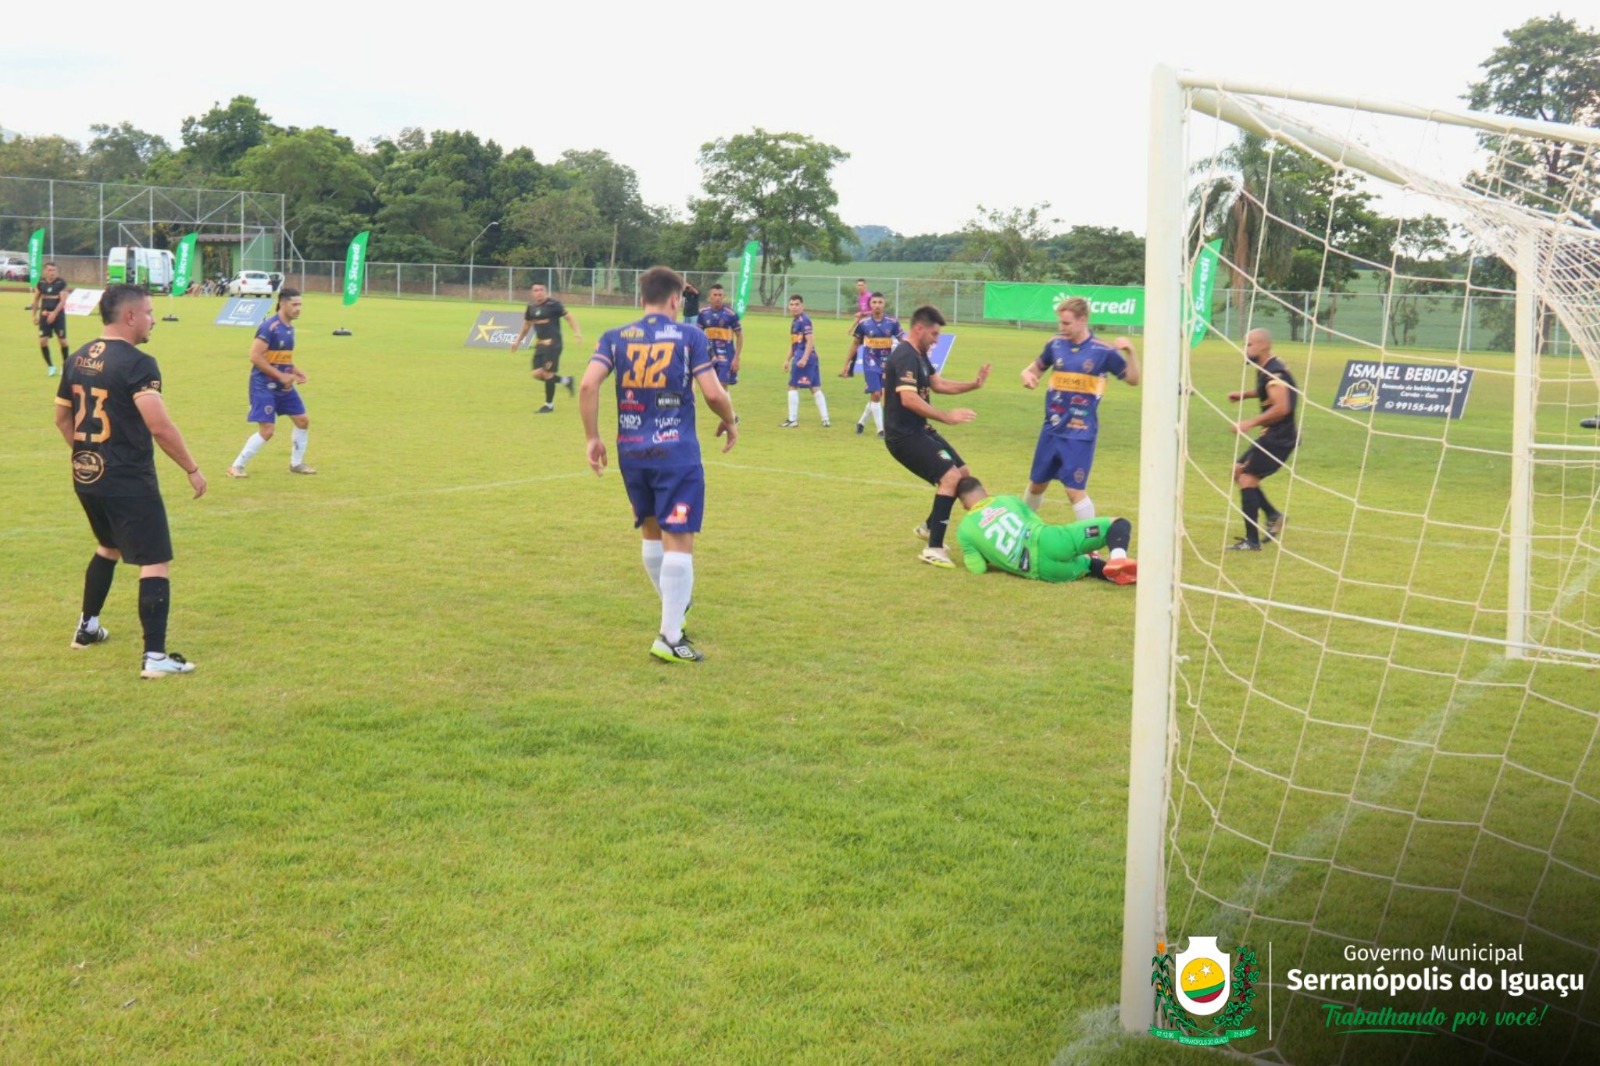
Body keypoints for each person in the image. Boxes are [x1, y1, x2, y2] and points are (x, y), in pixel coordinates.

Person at [580, 266, 738, 663]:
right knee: (679, 538)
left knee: (652, 534)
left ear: (641, 299)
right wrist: (731, 421)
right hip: (676, 453)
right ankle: (669, 636)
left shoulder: (615, 337)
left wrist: (592, 437)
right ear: (675, 299)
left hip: (631, 451)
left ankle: (675, 611)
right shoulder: (690, 336)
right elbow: (713, 392)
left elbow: (587, 384)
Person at [53, 284, 207, 678]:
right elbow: (158, 424)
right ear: (130, 316)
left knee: (108, 547)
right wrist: (191, 467)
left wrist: (89, 456)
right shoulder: (140, 363)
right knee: (155, 560)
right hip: (127, 479)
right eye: (151, 312)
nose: (154, 319)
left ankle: (87, 627)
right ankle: (155, 658)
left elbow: (62, 418)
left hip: (87, 475)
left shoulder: (78, 356)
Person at [882, 305, 991, 568]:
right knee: (950, 478)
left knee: (962, 472)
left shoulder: (919, 354)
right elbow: (908, 399)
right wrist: (946, 416)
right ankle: (933, 548)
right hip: (903, 436)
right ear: (919, 328)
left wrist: (973, 384)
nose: (936, 340)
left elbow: (938, 384)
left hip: (919, 430)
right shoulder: (905, 355)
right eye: (933, 334)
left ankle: (930, 526)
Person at [1020, 297, 1140, 523]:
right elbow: (1032, 369)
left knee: (1073, 490)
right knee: (1036, 484)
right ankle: (1022, 530)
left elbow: (1133, 379)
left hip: (1080, 432)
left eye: (1066, 323)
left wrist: (1131, 352)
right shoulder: (1055, 344)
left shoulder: (1102, 351)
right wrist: (1027, 376)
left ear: (1082, 320)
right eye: (1060, 323)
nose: (1061, 328)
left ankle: (1090, 544)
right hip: (1051, 429)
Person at [953, 477, 1136, 584]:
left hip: (1045, 572)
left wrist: (989, 554)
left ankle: (1122, 575)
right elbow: (1035, 521)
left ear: (963, 505)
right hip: (1049, 541)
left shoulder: (964, 530)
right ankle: (1119, 558)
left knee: (1088, 565)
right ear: (985, 490)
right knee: (1118, 523)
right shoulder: (1006, 500)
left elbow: (977, 569)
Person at [227, 287, 316, 477]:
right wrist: (280, 375)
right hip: (263, 385)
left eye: (300, 305)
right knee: (267, 430)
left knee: (302, 420)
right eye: (294, 305)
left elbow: (280, 358)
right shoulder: (270, 327)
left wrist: (294, 371)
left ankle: (296, 464)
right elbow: (255, 356)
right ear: (282, 304)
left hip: (283, 386)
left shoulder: (289, 328)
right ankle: (236, 466)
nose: (298, 309)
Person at [1227, 328, 1297, 551]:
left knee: (1247, 478)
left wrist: (1250, 422)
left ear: (1263, 346)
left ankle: (1252, 541)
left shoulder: (1275, 373)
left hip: (1279, 438)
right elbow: (1265, 389)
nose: (1245, 349)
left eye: (1249, 345)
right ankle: (1273, 515)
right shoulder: (1266, 367)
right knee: (1238, 471)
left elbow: (1282, 407)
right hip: (1273, 435)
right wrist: (1244, 395)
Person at [510, 281, 582, 413]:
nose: (538, 292)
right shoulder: (531, 307)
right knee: (537, 374)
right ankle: (567, 380)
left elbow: (569, 318)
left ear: (546, 291)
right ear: (532, 293)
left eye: (541, 290)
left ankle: (549, 405)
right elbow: (527, 325)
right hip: (540, 345)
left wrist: (577, 333)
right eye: (536, 290)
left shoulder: (554, 305)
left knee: (548, 374)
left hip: (553, 345)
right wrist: (518, 340)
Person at [839, 292, 904, 437]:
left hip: (887, 363)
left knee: (877, 396)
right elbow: (855, 343)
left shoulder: (892, 322)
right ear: (870, 305)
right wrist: (846, 364)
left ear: (884, 304)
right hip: (870, 362)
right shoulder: (864, 324)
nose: (877, 305)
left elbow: (902, 341)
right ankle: (881, 430)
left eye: (880, 302)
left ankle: (861, 422)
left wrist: (911, 355)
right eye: (874, 302)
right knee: (876, 392)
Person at [781, 294, 830, 427]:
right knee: (814, 387)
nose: (794, 307)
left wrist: (804, 358)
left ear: (802, 306)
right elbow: (794, 344)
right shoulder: (795, 322)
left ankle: (793, 419)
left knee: (792, 385)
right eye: (791, 304)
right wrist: (786, 360)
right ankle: (825, 419)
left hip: (804, 358)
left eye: (797, 304)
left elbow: (810, 340)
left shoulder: (804, 320)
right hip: (811, 358)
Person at [696, 283, 743, 388]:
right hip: (709, 356)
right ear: (709, 296)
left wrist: (736, 358)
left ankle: (727, 404)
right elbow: (698, 335)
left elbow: (740, 335)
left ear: (724, 297)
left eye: (720, 295)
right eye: (715, 295)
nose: (717, 298)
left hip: (726, 356)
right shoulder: (703, 313)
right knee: (711, 389)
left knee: (722, 387)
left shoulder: (731, 314)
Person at [32, 262, 71, 376]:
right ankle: (51, 367)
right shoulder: (41, 283)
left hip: (58, 316)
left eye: (54, 270)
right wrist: (34, 315)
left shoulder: (61, 283)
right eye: (49, 270)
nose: (52, 273)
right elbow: (36, 300)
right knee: (43, 341)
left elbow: (63, 301)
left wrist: (54, 313)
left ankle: (65, 365)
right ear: (45, 271)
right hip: (44, 316)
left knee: (63, 341)